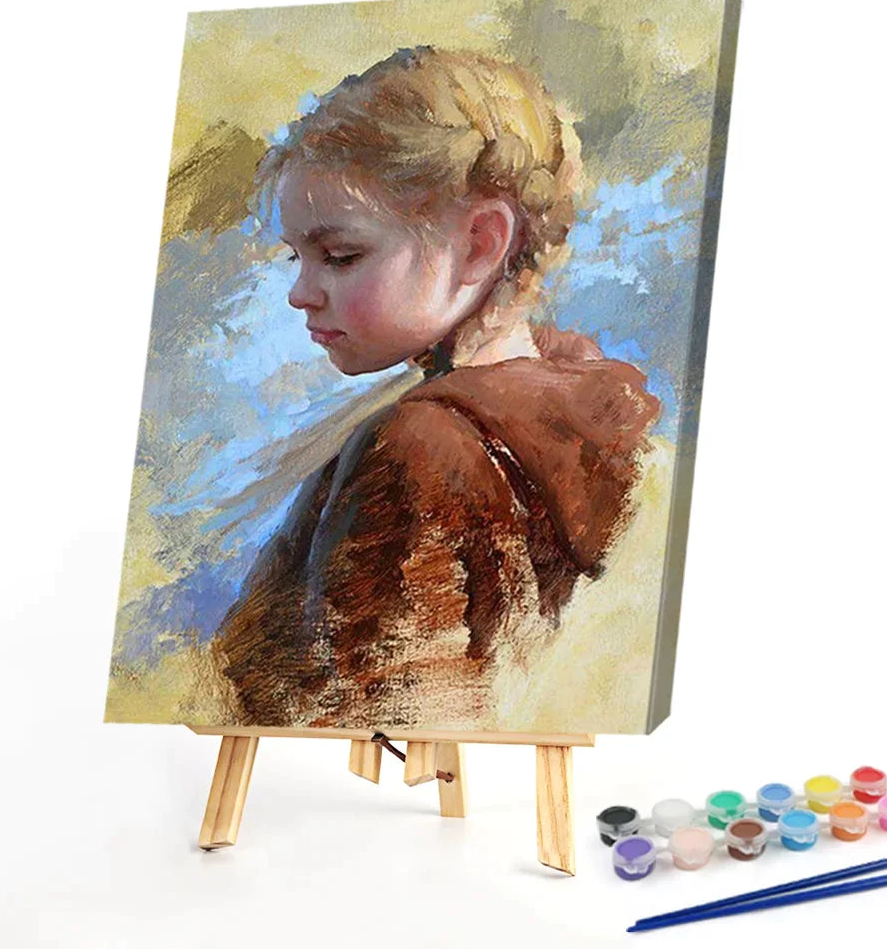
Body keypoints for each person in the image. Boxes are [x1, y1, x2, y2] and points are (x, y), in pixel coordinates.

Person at [209, 45, 662, 730]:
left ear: (480, 243)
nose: (300, 293)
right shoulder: (591, 419)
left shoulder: (419, 445)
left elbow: (379, 706)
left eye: (340, 256)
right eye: (296, 258)